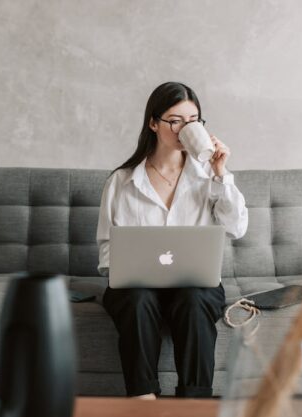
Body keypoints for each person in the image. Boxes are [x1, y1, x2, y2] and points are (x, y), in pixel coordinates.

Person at [95, 81, 249, 399]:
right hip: (137, 288)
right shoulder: (121, 181)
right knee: (136, 300)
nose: (184, 129)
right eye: (175, 120)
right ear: (153, 123)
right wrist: (126, 268)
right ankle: (143, 401)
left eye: (193, 121)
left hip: (193, 284)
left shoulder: (209, 177)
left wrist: (222, 173)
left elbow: (237, 228)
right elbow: (107, 250)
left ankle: (193, 405)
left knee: (195, 300)